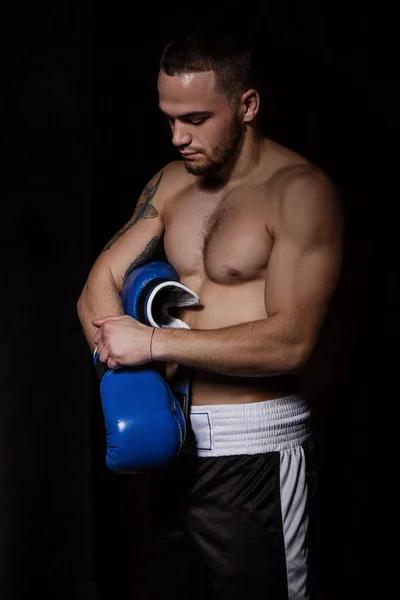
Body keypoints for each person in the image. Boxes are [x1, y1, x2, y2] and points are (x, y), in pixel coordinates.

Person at [77, 20, 344, 600]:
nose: (177, 136)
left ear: (246, 105)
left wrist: (151, 344)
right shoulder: (170, 184)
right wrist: (129, 384)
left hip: (254, 454)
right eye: (169, 117)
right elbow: (100, 280)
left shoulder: (300, 191)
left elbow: (291, 341)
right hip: (166, 443)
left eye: (195, 119)